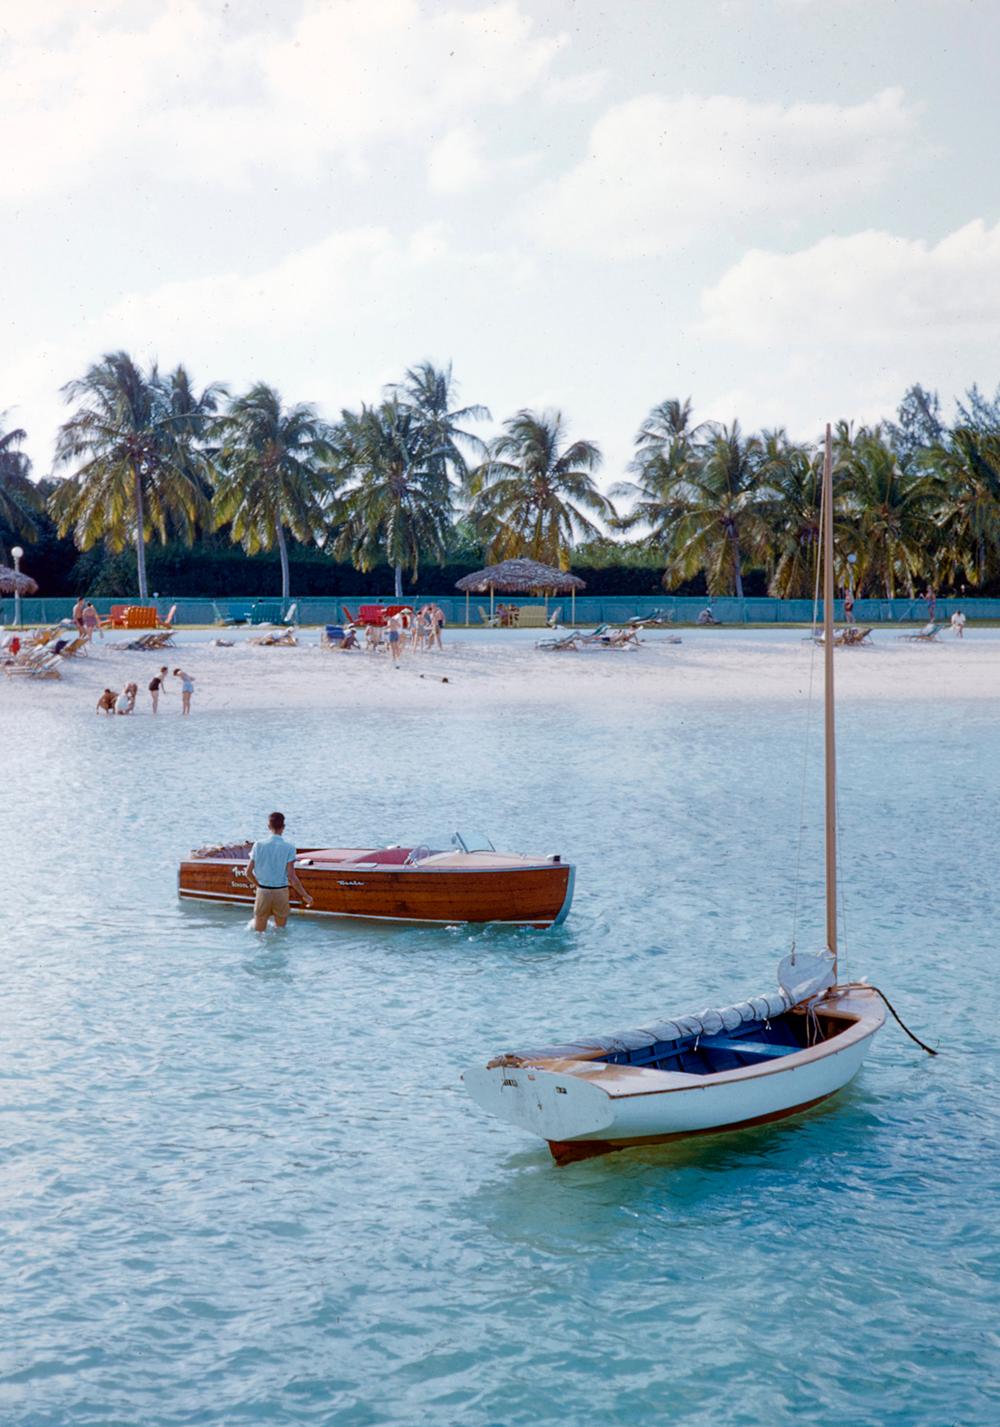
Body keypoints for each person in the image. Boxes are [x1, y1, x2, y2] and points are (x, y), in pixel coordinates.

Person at [246, 811, 314, 931]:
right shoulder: (289, 847)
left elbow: (248, 873)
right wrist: (305, 895)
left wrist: (259, 886)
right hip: (281, 893)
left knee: (259, 934)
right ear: (283, 827)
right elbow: (292, 877)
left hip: (263, 891)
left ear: (268, 826)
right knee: (280, 932)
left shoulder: (258, 845)